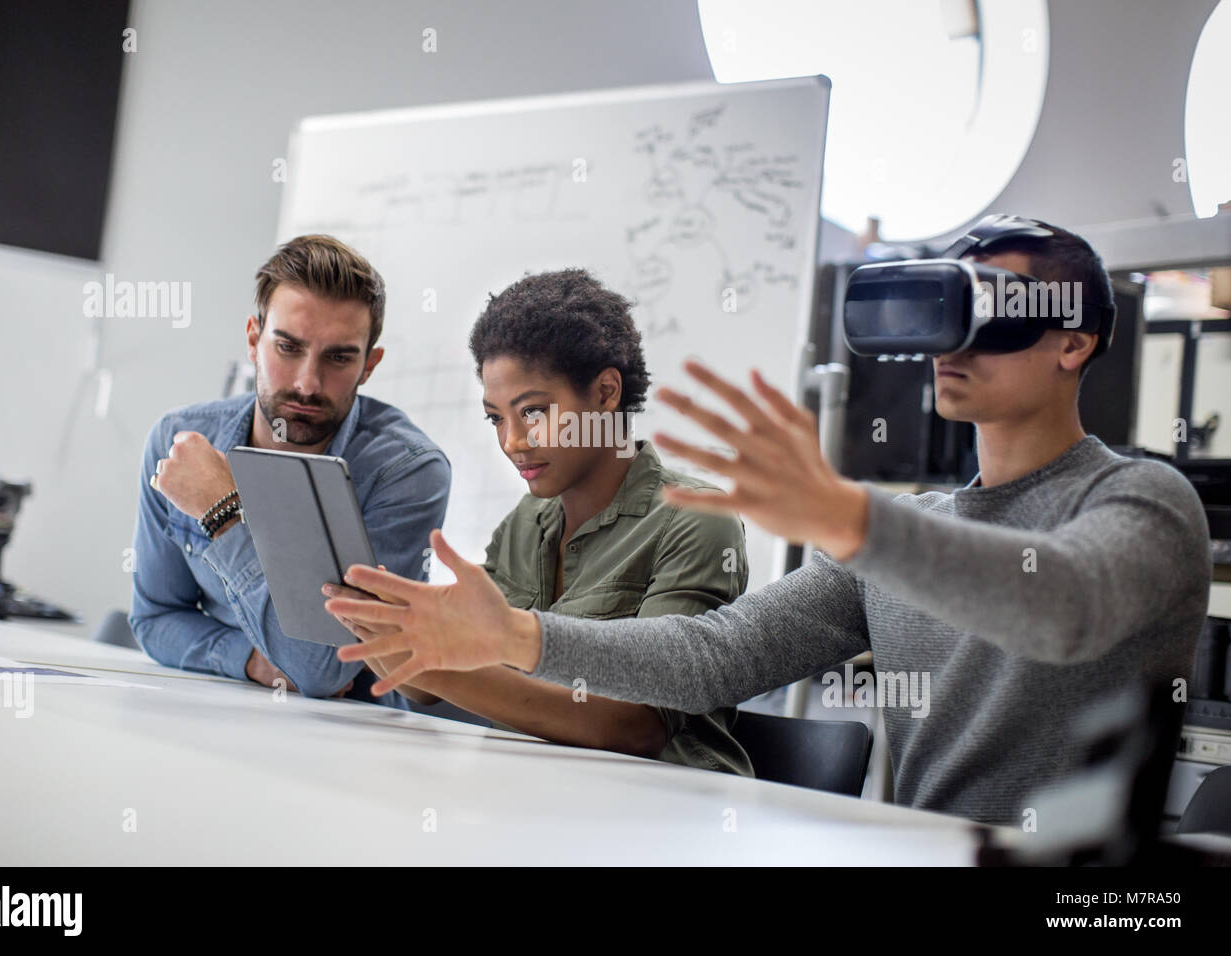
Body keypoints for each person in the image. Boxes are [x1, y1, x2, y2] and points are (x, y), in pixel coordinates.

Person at [326, 220, 1212, 825]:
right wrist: (516, 635)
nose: (953, 345)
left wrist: (852, 519)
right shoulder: (896, 534)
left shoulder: (1141, 503)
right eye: (949, 314)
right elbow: (709, 658)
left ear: (1075, 341)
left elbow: (1060, 606)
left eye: (992, 317)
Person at [328, 269, 752, 774]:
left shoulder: (695, 520)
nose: (512, 441)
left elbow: (634, 725)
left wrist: (438, 665)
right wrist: (382, 624)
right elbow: (424, 688)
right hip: (536, 797)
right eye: (496, 418)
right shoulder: (526, 524)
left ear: (605, 393)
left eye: (531, 412)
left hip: (660, 819)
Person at [130, 234, 450, 705]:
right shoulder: (177, 440)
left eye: (338, 358)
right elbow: (154, 619)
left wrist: (224, 513)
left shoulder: (406, 473)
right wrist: (250, 660)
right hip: (220, 713)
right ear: (254, 340)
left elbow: (322, 670)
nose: (307, 383)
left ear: (369, 365)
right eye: (288, 348)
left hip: (351, 739)